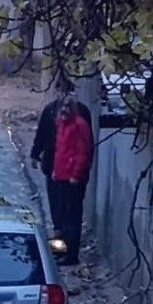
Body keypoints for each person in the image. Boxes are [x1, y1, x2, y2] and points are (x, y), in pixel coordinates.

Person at [31, 82, 94, 265]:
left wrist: (78, 173)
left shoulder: (81, 118)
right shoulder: (53, 114)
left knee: (71, 215)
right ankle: (59, 251)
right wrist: (36, 155)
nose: (65, 101)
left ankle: (70, 254)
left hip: (73, 178)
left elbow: (85, 150)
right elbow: (45, 137)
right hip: (56, 172)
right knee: (57, 215)